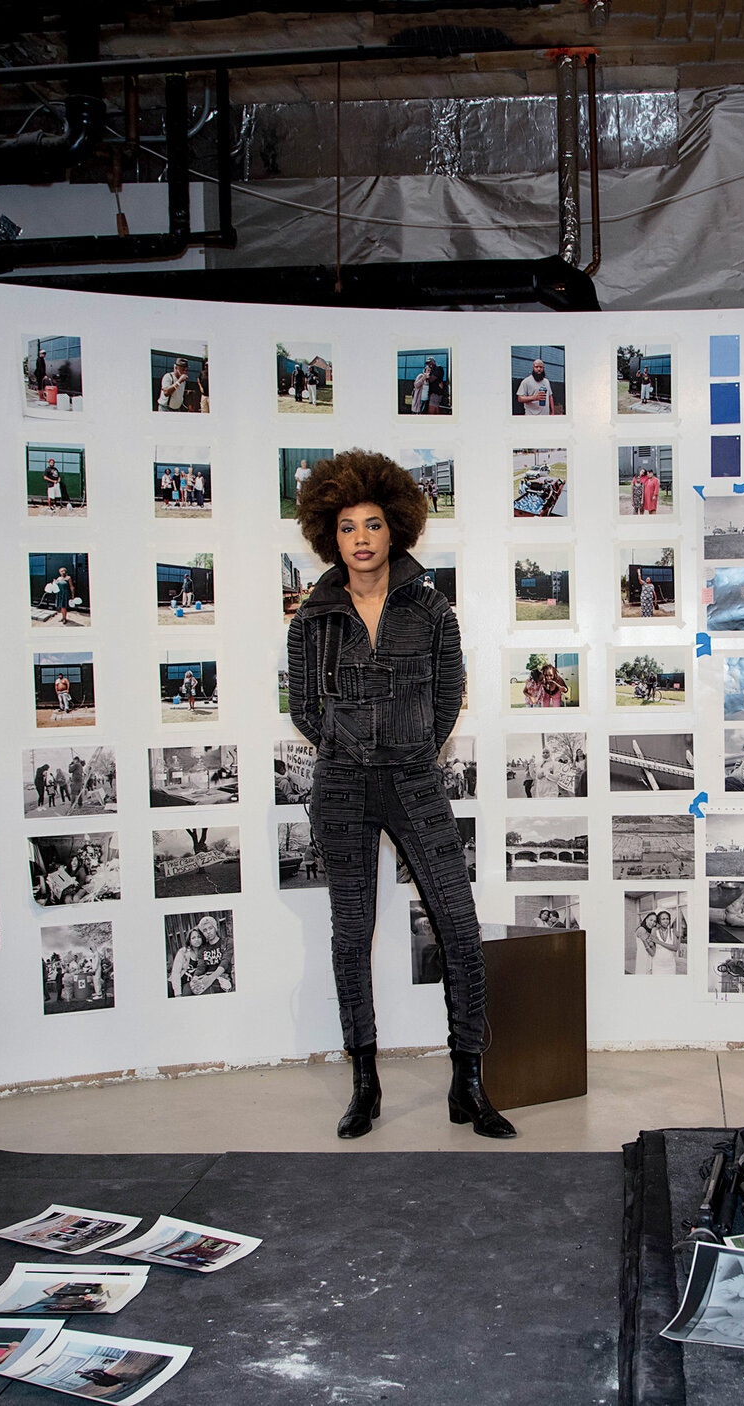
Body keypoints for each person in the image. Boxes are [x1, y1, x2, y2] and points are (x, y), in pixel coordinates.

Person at [288, 451, 511, 1139]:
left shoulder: (431, 610)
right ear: (332, 535)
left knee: (462, 932)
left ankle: (467, 1085)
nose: (360, 537)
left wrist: (414, 746)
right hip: (344, 786)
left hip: (415, 782)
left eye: (374, 524)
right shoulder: (313, 619)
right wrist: (347, 744)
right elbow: (302, 706)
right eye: (348, 525)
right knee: (351, 938)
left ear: (396, 531)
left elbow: (449, 696)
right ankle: (365, 1084)